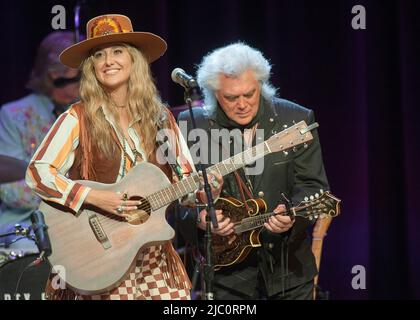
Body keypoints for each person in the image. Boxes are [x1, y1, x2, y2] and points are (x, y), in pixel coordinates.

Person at [25, 14, 221, 300]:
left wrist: (205, 190)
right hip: (101, 259)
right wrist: (94, 197)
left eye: (118, 51)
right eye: (99, 55)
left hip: (153, 257)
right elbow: (37, 172)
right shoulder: (77, 117)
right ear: (92, 67)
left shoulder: (161, 118)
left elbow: (185, 183)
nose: (108, 61)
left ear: (134, 60)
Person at [177, 42, 329, 300]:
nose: (243, 104)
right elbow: (178, 204)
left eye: (250, 94)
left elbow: (314, 188)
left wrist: (292, 217)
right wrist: (200, 222)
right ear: (214, 95)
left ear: (261, 84)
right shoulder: (193, 125)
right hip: (228, 277)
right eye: (231, 98)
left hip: (290, 271)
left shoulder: (295, 119)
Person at [0, 32, 79, 254]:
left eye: (76, 78)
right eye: (61, 78)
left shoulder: (88, 113)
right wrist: (70, 192)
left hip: (81, 221)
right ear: (47, 74)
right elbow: (9, 189)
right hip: (25, 225)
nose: (70, 87)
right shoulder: (13, 114)